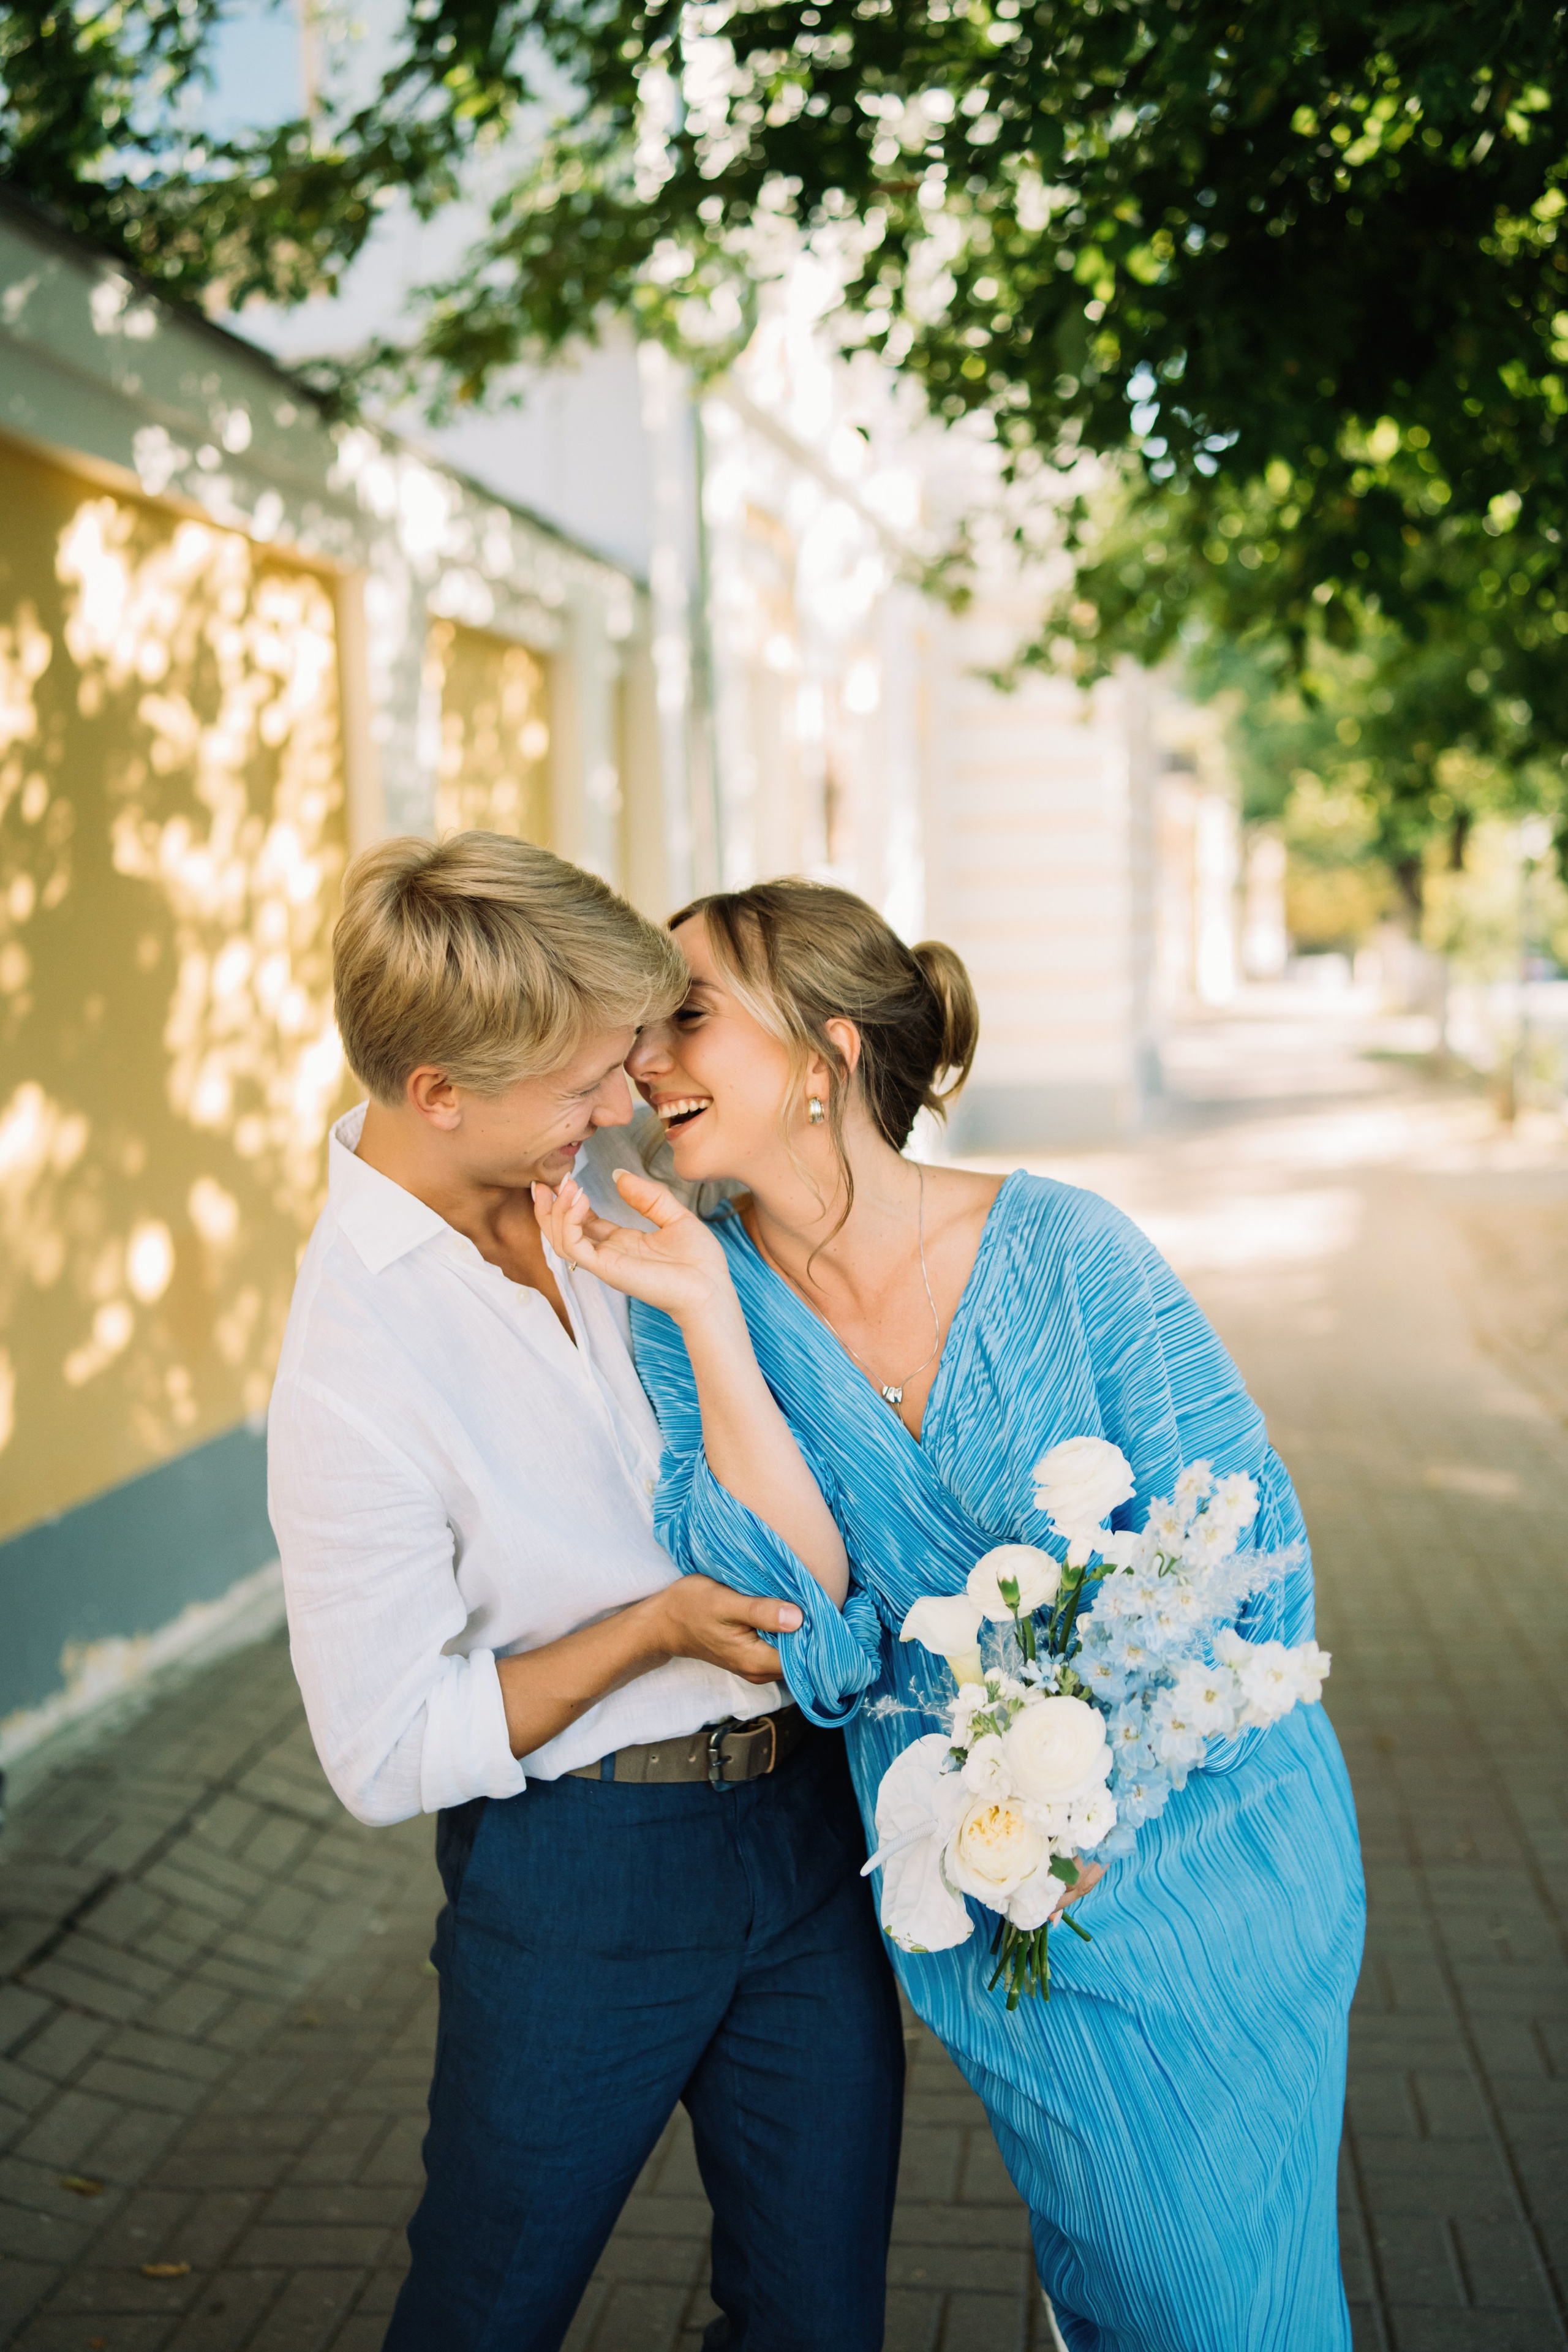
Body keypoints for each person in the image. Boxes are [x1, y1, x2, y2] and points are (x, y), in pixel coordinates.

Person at [536, 875, 1366, 2352]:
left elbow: (1246, 1547)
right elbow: (799, 1620)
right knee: (1142, 2273)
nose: (645, 1057)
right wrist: (719, 1332)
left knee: (1230, 2292)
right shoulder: (691, 1291)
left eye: (688, 1016)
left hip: (1224, 1847)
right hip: (993, 1888)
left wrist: (1105, 1781)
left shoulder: (1069, 1251)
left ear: (822, 1053)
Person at [266, 836, 904, 2352]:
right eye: (581, 1087)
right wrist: (650, 1629)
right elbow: (380, 1751)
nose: (625, 1106)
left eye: (625, 1063)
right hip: (579, 1879)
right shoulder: (352, 1362)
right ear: (438, 1095)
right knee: (490, 2315)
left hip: (805, 1840)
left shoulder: (612, 1179)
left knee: (819, 2322)